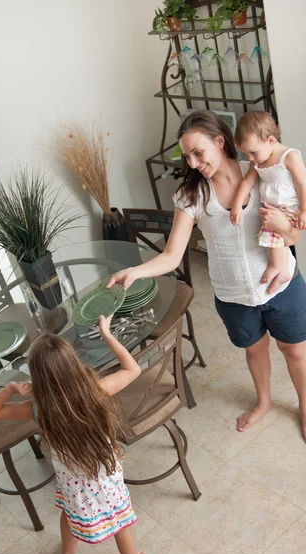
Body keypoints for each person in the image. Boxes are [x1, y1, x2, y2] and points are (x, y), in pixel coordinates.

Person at [108, 110, 306, 440]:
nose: (194, 162)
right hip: (234, 296)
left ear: (219, 141)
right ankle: (264, 402)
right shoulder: (191, 196)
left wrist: (288, 228)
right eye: (188, 157)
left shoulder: (261, 171)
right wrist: (135, 271)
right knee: (254, 350)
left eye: (199, 153)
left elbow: (295, 235)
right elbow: (171, 256)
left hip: (282, 286)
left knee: (296, 351)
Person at [0, 315, 150, 554]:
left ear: (37, 376)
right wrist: (107, 335)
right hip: (104, 476)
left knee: (68, 514)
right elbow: (133, 370)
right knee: (120, 524)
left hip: (71, 484)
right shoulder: (96, 390)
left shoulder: (39, 409)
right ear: (73, 365)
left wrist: (10, 389)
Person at [230, 111, 306, 289]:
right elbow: (247, 181)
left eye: (253, 152)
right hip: (274, 207)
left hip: (289, 207)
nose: (249, 158)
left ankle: (277, 267)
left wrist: (304, 210)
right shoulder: (257, 161)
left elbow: (302, 184)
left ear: (271, 140)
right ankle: (284, 270)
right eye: (245, 154)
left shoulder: (289, 156)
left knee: (272, 234)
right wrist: (236, 205)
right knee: (276, 237)